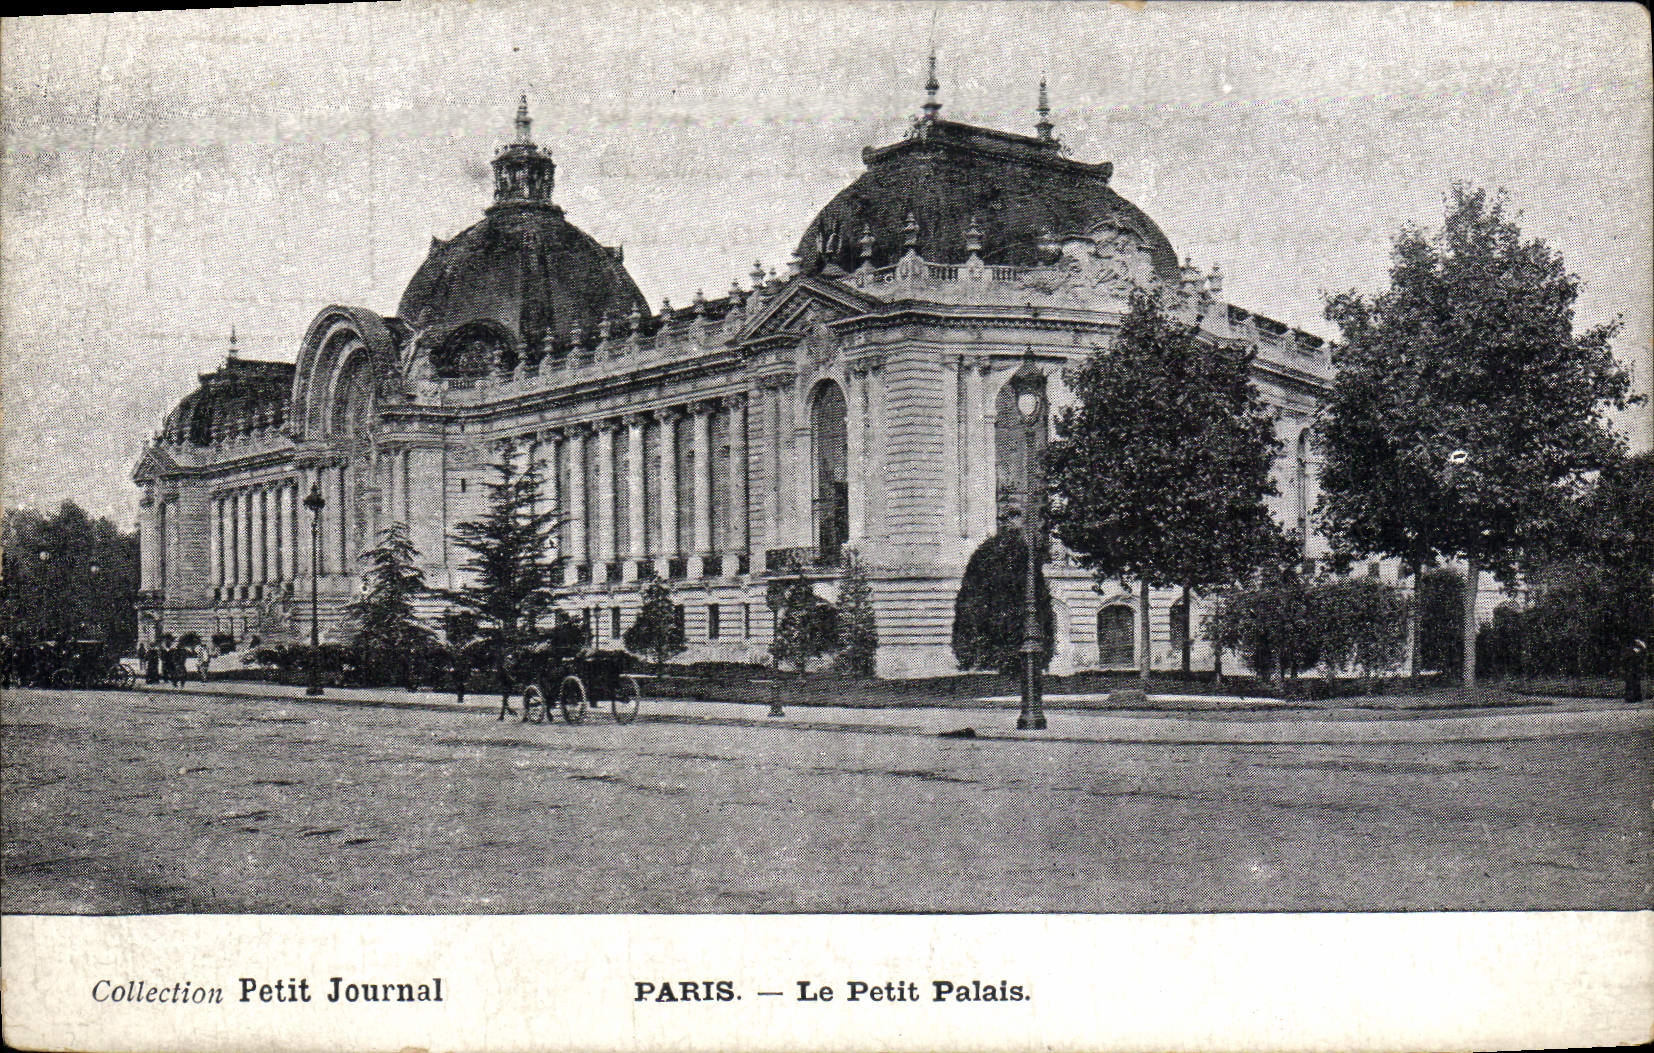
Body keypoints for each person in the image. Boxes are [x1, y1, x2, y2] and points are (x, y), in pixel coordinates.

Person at [1626, 638, 1647, 705]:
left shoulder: (1638, 650)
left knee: (1636, 683)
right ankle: (1633, 697)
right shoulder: (1634, 650)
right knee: (1634, 683)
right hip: (1634, 669)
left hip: (1636, 669)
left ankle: (1636, 697)